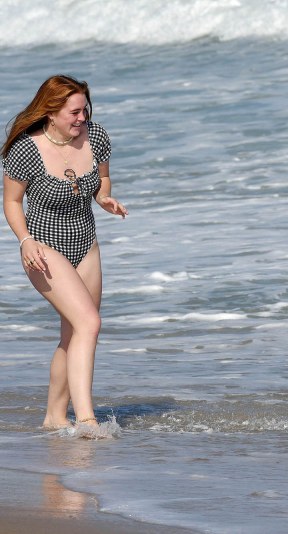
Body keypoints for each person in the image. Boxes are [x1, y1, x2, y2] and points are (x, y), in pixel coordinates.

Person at [2, 75, 128, 430]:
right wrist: (25, 240)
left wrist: (104, 198)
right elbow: (11, 202)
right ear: (51, 112)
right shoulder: (26, 150)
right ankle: (87, 420)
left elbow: (102, 180)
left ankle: (54, 417)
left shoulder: (97, 136)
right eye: (74, 112)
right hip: (43, 248)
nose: (81, 118)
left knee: (74, 333)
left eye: (84, 110)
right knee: (89, 322)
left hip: (86, 244)